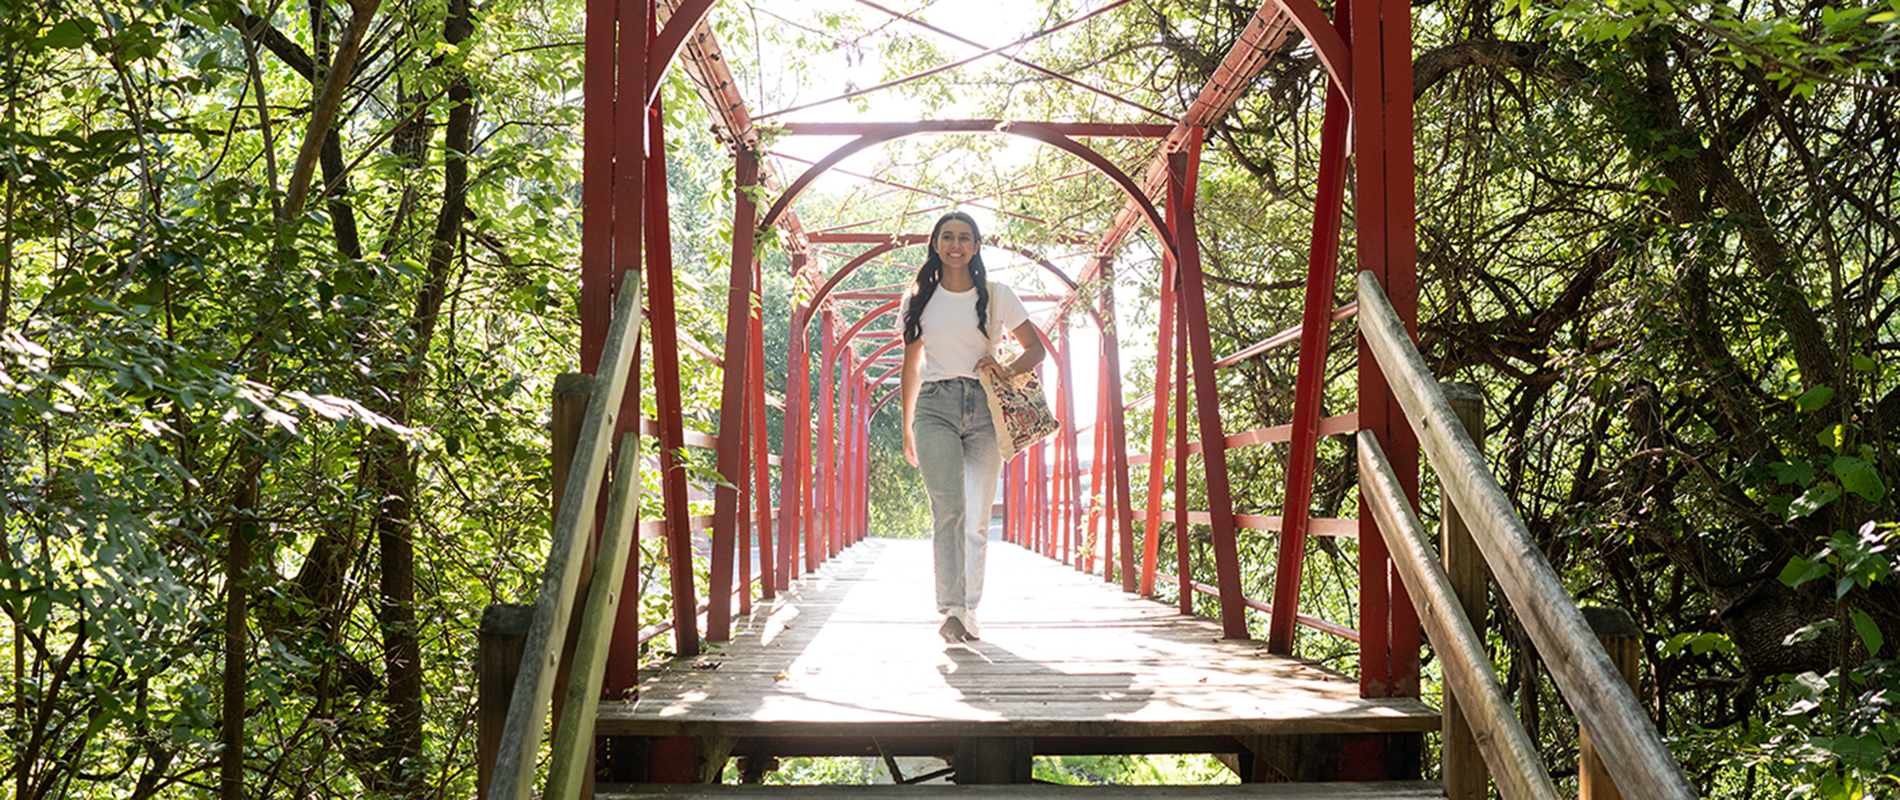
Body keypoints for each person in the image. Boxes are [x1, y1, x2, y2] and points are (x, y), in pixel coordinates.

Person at [900, 211, 1045, 644]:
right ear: (936, 244)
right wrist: (907, 427)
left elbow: (1035, 349)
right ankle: (951, 609)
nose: (956, 245)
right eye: (948, 237)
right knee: (948, 510)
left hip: (986, 407)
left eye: (965, 238)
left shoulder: (999, 295)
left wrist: (1003, 366)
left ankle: (970, 609)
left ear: (977, 246)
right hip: (934, 408)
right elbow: (911, 368)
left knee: (977, 516)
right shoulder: (917, 300)